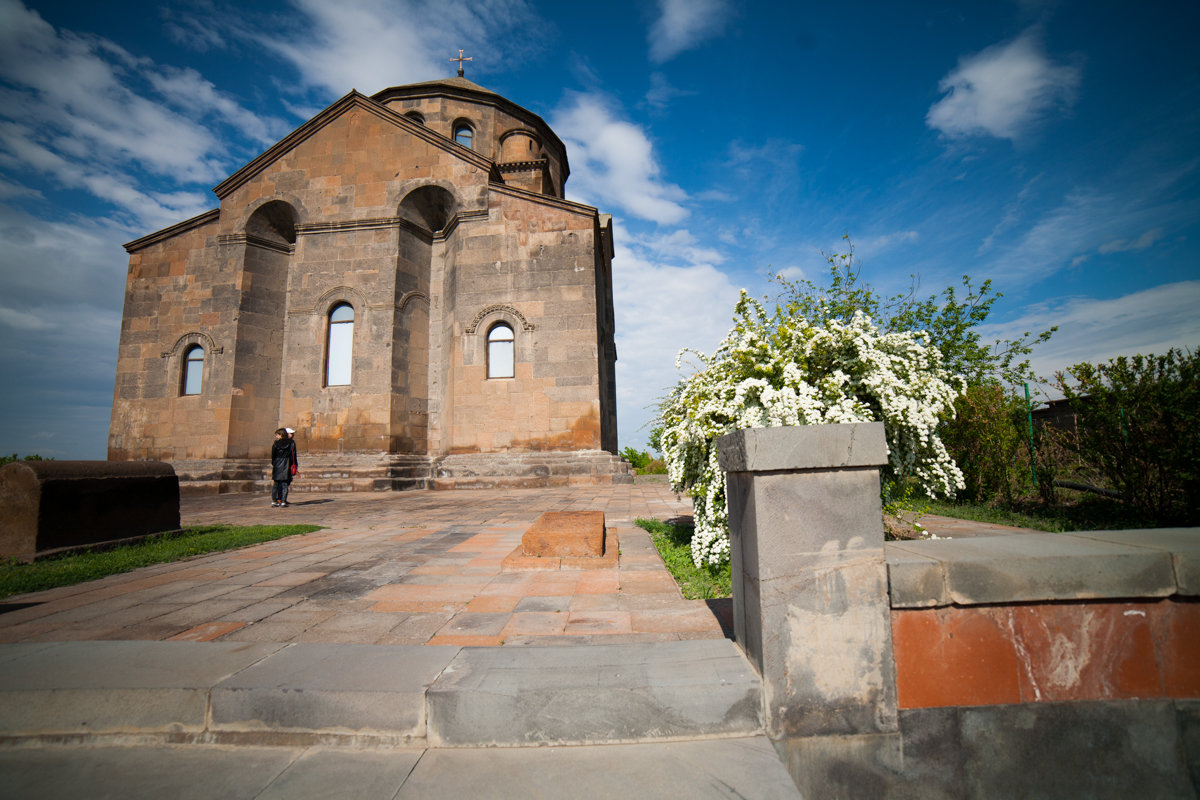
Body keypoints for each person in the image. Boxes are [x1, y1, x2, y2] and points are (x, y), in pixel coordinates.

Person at [270, 427, 298, 507]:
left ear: (281, 435)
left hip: (277, 463)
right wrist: (294, 465)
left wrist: (274, 463)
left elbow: (273, 455)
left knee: (276, 483)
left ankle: (274, 501)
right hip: (287, 463)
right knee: (285, 484)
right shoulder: (291, 443)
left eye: (277, 435)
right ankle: (283, 501)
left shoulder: (275, 443)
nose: (276, 436)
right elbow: (293, 455)